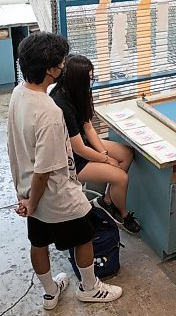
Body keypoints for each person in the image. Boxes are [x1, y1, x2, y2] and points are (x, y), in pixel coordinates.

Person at [7, 32, 122, 310]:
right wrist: (33, 204)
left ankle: (49, 293)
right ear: (50, 69)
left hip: (27, 190)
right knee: (84, 237)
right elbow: (45, 170)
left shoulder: (18, 93)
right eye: (60, 63)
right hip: (54, 196)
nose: (63, 67)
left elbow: (15, 147)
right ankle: (90, 288)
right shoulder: (49, 111)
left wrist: (24, 198)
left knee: (38, 243)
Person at [50, 54, 140, 234]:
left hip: (82, 147)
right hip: (71, 161)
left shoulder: (79, 93)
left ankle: (107, 201)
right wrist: (106, 160)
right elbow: (79, 149)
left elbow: (88, 127)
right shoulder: (60, 104)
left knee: (127, 154)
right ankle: (122, 213)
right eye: (89, 79)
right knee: (122, 178)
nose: (91, 82)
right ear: (77, 80)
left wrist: (104, 153)